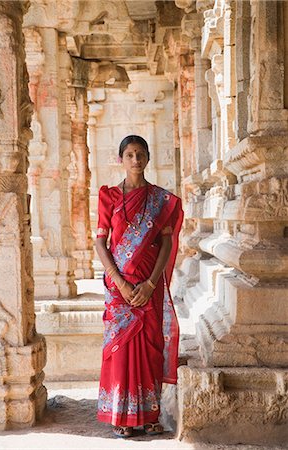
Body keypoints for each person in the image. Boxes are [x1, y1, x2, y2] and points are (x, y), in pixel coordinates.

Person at [95, 135, 183, 438]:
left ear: (148, 158)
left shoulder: (161, 200)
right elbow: (100, 242)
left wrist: (150, 283)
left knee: (149, 347)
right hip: (119, 285)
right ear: (121, 158)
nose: (135, 160)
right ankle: (121, 415)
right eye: (130, 154)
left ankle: (148, 415)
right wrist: (118, 282)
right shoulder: (108, 197)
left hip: (149, 284)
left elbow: (167, 242)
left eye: (140, 154)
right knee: (119, 348)